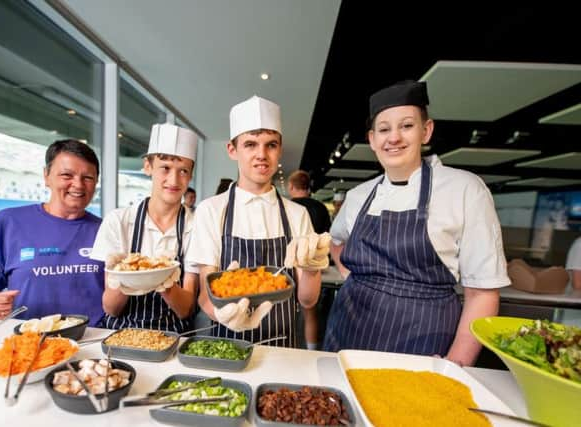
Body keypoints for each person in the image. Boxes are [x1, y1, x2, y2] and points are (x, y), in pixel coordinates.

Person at [324, 81, 509, 366]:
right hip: (348, 329)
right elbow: (336, 242)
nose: (394, 137)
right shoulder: (358, 196)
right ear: (372, 139)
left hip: (422, 337)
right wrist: (352, 276)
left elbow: (482, 292)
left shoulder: (465, 189)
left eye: (406, 126)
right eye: (384, 129)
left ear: (426, 130)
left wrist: (455, 364)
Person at [187, 95, 330, 347]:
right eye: (251, 144)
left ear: (280, 149)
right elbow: (205, 296)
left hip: (283, 346)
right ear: (233, 150)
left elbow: (307, 301)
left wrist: (311, 268)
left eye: (271, 145)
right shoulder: (211, 210)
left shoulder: (297, 215)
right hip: (226, 344)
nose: (261, 155)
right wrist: (225, 315)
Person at [0, 139, 105, 325]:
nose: (78, 185)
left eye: (88, 177)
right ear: (46, 176)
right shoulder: (7, 223)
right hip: (29, 342)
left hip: (93, 342)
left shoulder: (106, 231)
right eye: (66, 175)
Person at [90, 123, 200, 331]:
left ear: (191, 174)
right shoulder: (118, 221)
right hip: (122, 335)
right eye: (165, 168)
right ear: (148, 167)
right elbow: (111, 308)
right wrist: (127, 276)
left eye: (183, 170)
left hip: (174, 337)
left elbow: (186, 309)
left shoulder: (196, 226)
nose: (174, 180)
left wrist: (164, 282)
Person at [287, 169, 332, 350]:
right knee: (310, 311)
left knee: (286, 311)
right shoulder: (320, 207)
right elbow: (328, 236)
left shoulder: (288, 208)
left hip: (289, 266)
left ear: (291, 187)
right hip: (313, 265)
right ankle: (311, 352)